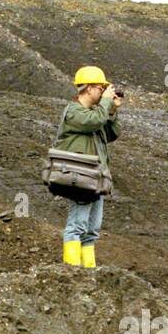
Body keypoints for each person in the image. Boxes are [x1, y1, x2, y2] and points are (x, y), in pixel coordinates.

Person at [55, 66, 121, 267]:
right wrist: (106, 104)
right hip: (79, 176)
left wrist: (112, 111)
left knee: (92, 229)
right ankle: (72, 272)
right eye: (101, 88)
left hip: (95, 177)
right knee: (76, 225)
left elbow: (111, 134)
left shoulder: (95, 113)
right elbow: (92, 122)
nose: (103, 92)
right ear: (88, 88)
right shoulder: (74, 112)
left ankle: (89, 272)